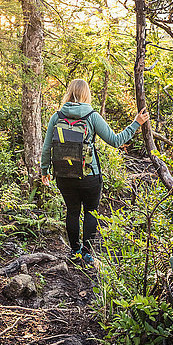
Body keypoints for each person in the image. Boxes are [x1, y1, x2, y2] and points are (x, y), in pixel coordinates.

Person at [40, 78, 149, 266]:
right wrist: (136, 123)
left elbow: (46, 147)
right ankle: (87, 253)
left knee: (72, 211)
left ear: (69, 92)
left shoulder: (56, 117)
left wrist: (44, 170)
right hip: (89, 176)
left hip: (64, 176)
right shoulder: (92, 116)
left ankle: (74, 251)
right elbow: (116, 141)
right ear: (86, 94)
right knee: (90, 211)